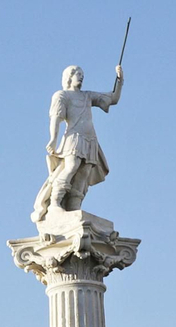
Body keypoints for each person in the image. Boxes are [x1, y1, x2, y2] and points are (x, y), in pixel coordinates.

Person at [32, 64, 124, 222]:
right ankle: (55, 203)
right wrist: (53, 139)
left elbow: (113, 98)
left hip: (90, 138)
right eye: (78, 74)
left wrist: (119, 80)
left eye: (82, 74)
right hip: (73, 137)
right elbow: (56, 118)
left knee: (84, 172)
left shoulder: (87, 96)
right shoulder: (62, 96)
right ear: (69, 77)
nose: (81, 77)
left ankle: (75, 205)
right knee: (71, 166)